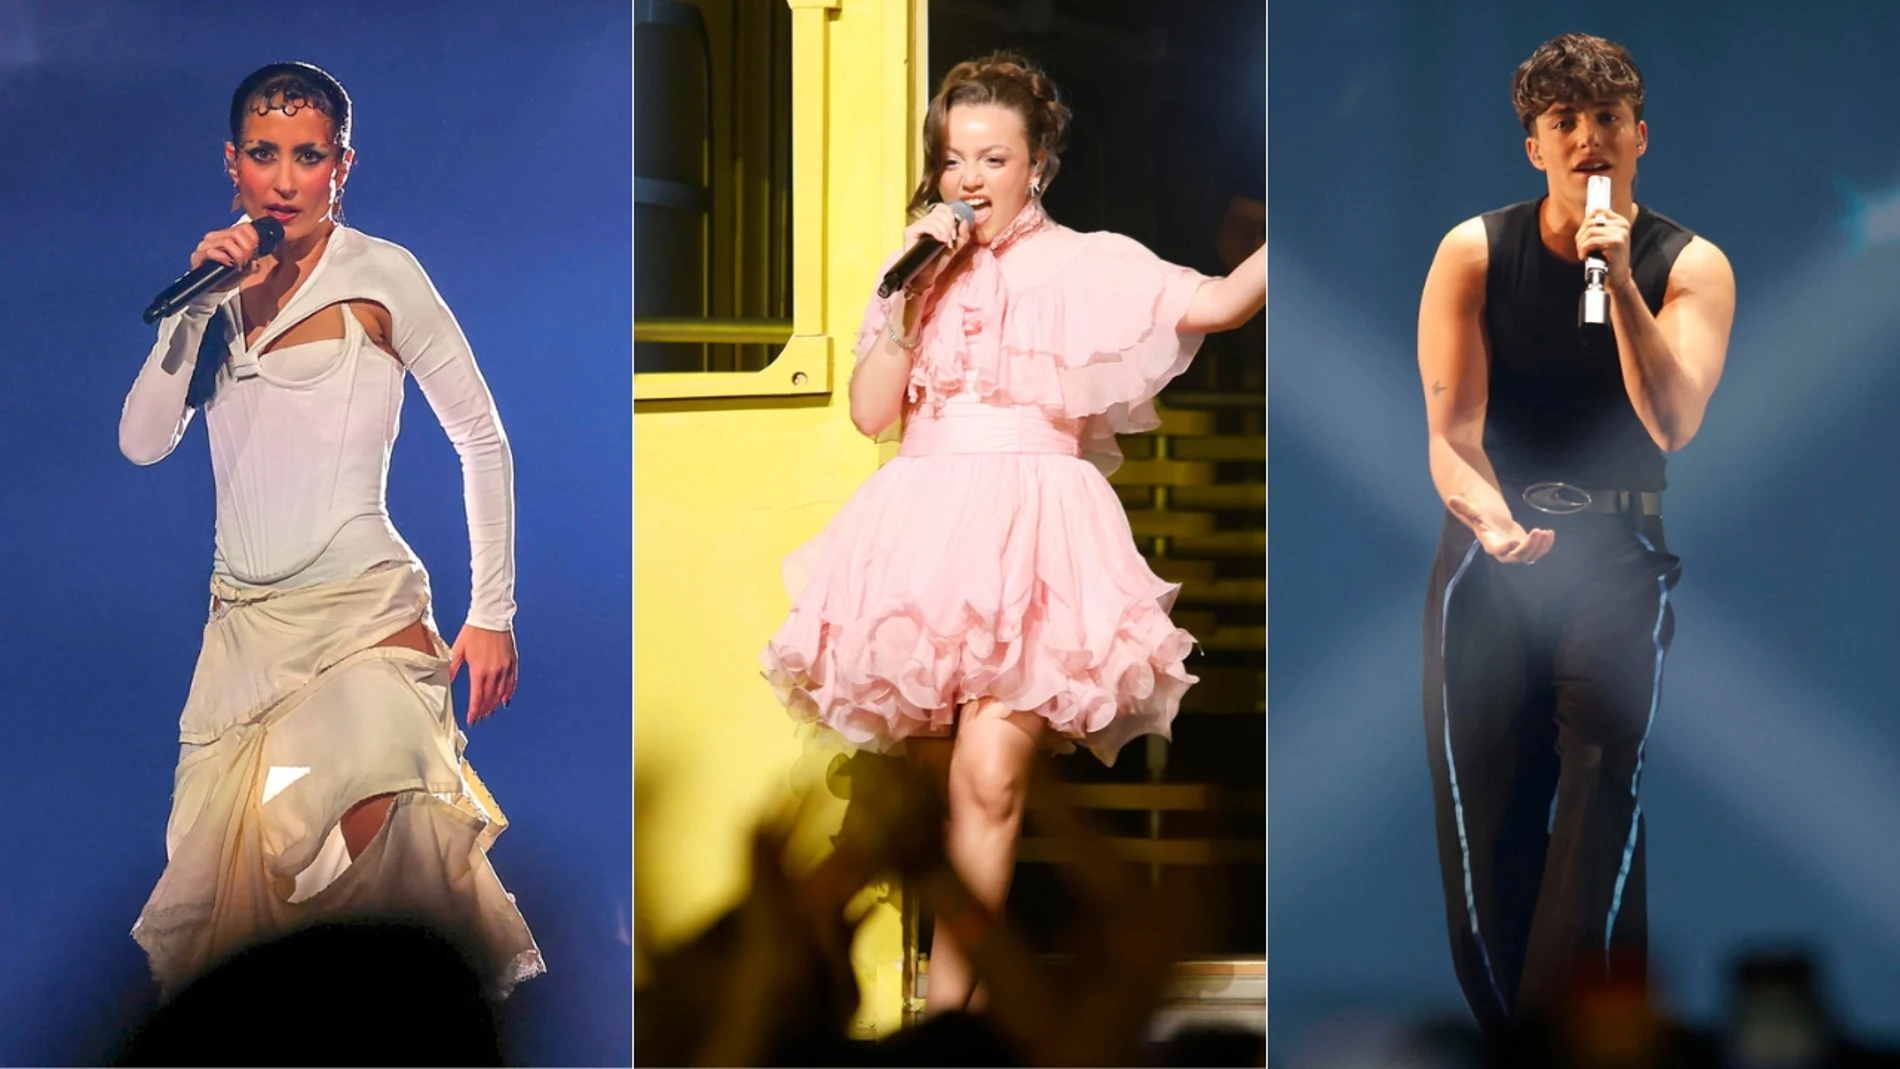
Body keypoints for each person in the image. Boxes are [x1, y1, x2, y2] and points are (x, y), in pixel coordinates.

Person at [760, 50, 1265, 1015]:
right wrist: (907, 298)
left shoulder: (1086, 261)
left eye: (994, 159)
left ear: (1038, 163)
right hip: (924, 526)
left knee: (991, 784)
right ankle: (953, 1005)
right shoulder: (913, 265)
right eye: (955, 160)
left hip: (1035, 525)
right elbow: (873, 413)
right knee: (933, 797)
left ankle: (950, 1015)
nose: (970, 180)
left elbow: (1217, 302)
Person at [118, 61, 543, 999]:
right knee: (249, 896)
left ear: (341, 166)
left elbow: (480, 434)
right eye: (264, 155)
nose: (283, 178)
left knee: (363, 807)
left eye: (307, 156)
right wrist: (192, 311)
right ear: (233, 163)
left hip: (363, 617)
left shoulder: (382, 274)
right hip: (242, 638)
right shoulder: (215, 294)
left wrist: (494, 607)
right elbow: (144, 443)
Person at [1415, 33, 1735, 1032]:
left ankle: (1575, 1035)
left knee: (1599, 781)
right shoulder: (1474, 250)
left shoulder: (1688, 264)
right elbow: (1449, 434)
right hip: (1491, 547)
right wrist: (1496, 524)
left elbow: (1672, 420)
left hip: (1615, 556)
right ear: (1534, 148)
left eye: (1605, 121)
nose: (1587, 141)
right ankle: (1511, 1032)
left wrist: (1620, 282)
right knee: (1484, 810)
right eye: (1564, 123)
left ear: (1639, 136)